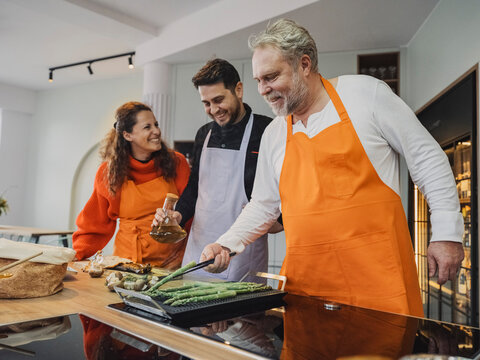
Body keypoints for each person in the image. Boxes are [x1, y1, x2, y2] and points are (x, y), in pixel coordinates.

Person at [199, 19, 465, 316]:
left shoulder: (364, 94)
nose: (263, 90)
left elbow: (427, 158)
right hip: (305, 291)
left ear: (304, 64)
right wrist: (226, 244)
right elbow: (263, 205)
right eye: (258, 80)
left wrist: (446, 233)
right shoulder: (275, 133)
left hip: (379, 287)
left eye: (271, 77)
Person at [153, 59, 281, 281]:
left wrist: (279, 223)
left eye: (218, 100)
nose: (213, 110)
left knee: (241, 314)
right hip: (199, 248)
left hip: (243, 253)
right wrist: (177, 216)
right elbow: (195, 188)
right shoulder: (204, 133)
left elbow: (284, 188)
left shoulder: (267, 130)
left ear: (238, 90)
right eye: (206, 103)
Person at [73, 101, 190, 268]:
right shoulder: (109, 172)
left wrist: (186, 254)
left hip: (170, 265)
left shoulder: (177, 162)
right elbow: (95, 223)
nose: (156, 131)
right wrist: (75, 256)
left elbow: (191, 212)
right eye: (147, 127)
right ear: (127, 135)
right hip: (127, 264)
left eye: (156, 124)